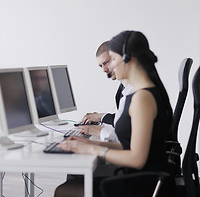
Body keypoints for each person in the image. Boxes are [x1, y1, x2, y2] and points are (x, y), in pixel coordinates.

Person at [55, 30, 175, 197]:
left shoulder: (143, 98)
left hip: (145, 185)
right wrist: (91, 144)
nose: (109, 66)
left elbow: (137, 159)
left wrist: (95, 151)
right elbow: (129, 147)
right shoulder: (140, 94)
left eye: (112, 60)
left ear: (128, 59)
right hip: (139, 178)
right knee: (73, 184)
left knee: (65, 191)